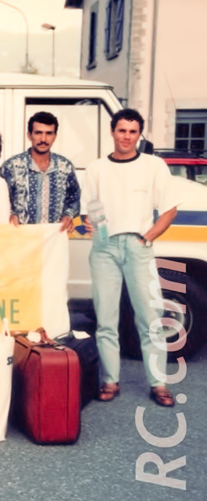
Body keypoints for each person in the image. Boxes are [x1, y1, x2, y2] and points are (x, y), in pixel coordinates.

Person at [82, 108, 180, 407]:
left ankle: (159, 383)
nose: (126, 136)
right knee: (106, 319)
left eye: (132, 131)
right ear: (112, 132)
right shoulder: (96, 168)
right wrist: (91, 225)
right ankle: (110, 380)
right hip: (104, 248)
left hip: (139, 247)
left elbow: (169, 210)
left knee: (150, 318)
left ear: (139, 134)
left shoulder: (154, 166)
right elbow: (90, 211)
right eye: (121, 130)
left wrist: (147, 237)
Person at [0, 111, 81, 232]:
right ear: (29, 135)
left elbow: (74, 197)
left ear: (55, 136)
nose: (43, 139)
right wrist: (11, 214)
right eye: (38, 133)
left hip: (53, 238)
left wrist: (68, 215)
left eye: (49, 133)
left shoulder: (65, 167)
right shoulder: (12, 166)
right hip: (20, 238)